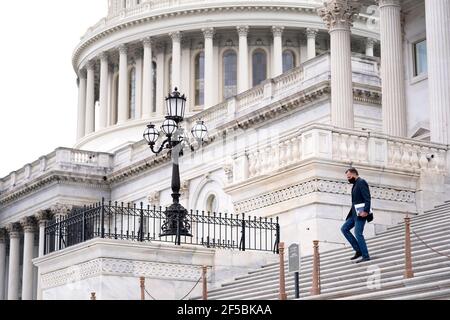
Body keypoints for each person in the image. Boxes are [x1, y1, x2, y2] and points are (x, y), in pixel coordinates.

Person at [341, 168, 373, 263]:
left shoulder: (361, 182)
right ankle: (358, 250)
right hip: (354, 214)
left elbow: (367, 198)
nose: (348, 179)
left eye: (349, 177)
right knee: (344, 229)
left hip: (361, 213)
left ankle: (365, 255)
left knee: (358, 233)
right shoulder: (355, 184)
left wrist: (366, 211)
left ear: (354, 174)